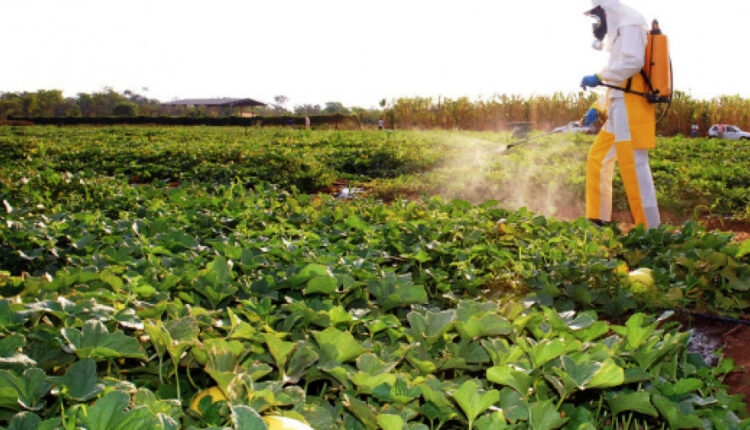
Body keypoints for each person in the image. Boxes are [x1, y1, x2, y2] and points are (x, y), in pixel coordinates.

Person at [580, 0, 660, 229]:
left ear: (607, 11)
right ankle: (598, 219)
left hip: (631, 108)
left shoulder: (631, 23)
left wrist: (599, 76)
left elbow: (633, 63)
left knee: (634, 165)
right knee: (598, 157)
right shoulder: (619, 31)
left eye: (597, 17)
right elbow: (619, 82)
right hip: (619, 105)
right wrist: (599, 106)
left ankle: (650, 228)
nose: (597, 24)